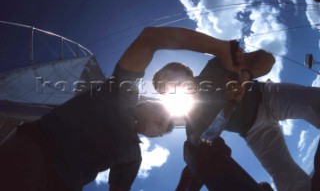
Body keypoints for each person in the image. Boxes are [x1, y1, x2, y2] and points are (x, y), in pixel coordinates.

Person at [0, 27, 241, 191]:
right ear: (144, 102)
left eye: (163, 129)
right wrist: (220, 48)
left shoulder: (133, 156)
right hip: (33, 152)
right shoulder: (120, 92)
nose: (163, 123)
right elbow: (150, 39)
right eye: (161, 113)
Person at [153, 33, 320, 191]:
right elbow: (193, 159)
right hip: (253, 131)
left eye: (168, 78)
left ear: (186, 71)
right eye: (165, 89)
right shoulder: (193, 122)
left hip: (267, 95)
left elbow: (266, 58)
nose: (170, 86)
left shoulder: (215, 66)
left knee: (315, 102)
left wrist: (245, 77)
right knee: (289, 181)